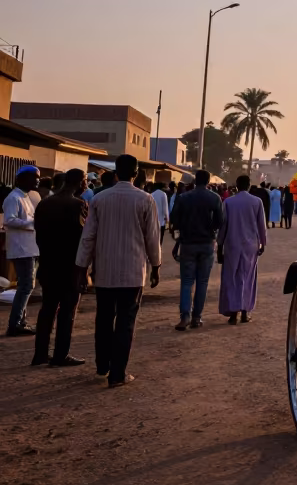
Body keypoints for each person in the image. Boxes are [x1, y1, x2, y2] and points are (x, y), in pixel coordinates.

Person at [74, 154, 161, 387]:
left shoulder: (100, 199)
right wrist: (156, 266)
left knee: (104, 319)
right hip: (132, 272)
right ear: (136, 173)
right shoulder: (145, 199)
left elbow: (88, 237)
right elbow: (152, 238)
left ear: (114, 173)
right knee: (125, 322)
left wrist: (82, 268)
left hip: (105, 272)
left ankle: (103, 367)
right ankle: (117, 374)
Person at [32, 168, 88, 365]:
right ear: (81, 182)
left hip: (48, 264)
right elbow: (83, 239)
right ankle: (60, 355)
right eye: (85, 180)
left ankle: (40, 354)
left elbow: (38, 233)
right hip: (70, 267)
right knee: (67, 312)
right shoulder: (78, 204)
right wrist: (84, 270)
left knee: (47, 309)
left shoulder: (45, 203)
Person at [170, 169, 224, 330]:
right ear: (208, 182)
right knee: (202, 282)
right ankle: (196, 317)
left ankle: (185, 316)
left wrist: (181, 233)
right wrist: (210, 230)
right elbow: (220, 221)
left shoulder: (184, 197)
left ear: (194, 180)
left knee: (187, 282)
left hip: (187, 243)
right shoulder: (214, 198)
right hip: (206, 243)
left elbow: (174, 219)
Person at [218, 175, 267, 324]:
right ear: (249, 185)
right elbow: (261, 225)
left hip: (232, 244)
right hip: (250, 245)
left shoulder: (228, 202)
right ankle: (245, 312)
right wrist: (263, 243)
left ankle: (233, 313)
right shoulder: (256, 202)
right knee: (248, 277)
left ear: (236, 185)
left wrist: (219, 246)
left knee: (231, 277)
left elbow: (223, 226)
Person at [4, 165, 40, 337]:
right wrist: (32, 224)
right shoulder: (13, 198)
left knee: (26, 286)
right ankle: (15, 324)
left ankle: (20, 322)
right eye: (34, 177)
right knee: (26, 286)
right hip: (21, 248)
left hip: (29, 248)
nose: (37, 181)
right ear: (22, 179)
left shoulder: (27, 197)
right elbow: (9, 221)